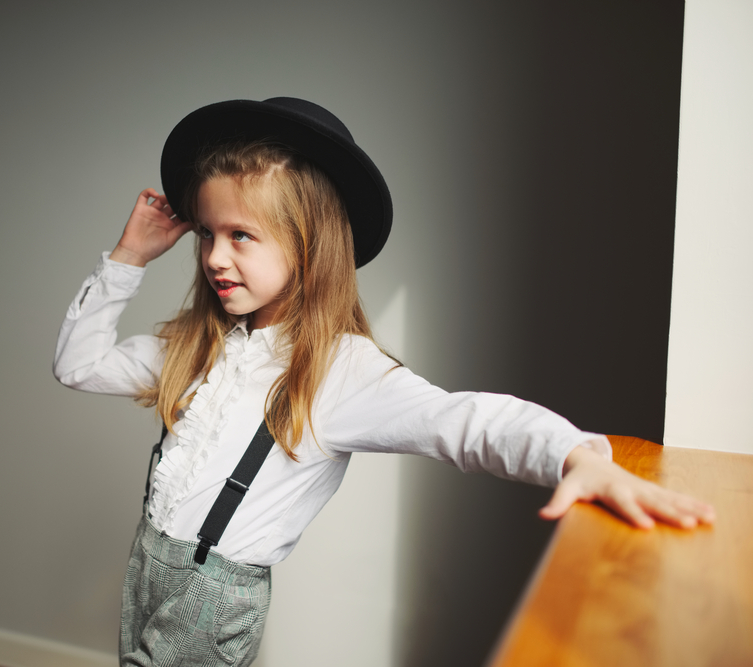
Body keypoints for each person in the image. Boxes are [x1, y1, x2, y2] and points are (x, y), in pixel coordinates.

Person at [53, 98, 715, 667]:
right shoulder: (196, 344)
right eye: (206, 232)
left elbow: (465, 421)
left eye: (241, 235)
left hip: (214, 594)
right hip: (146, 565)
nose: (214, 257)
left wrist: (573, 453)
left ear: (308, 245)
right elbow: (78, 365)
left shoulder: (342, 373)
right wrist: (129, 257)